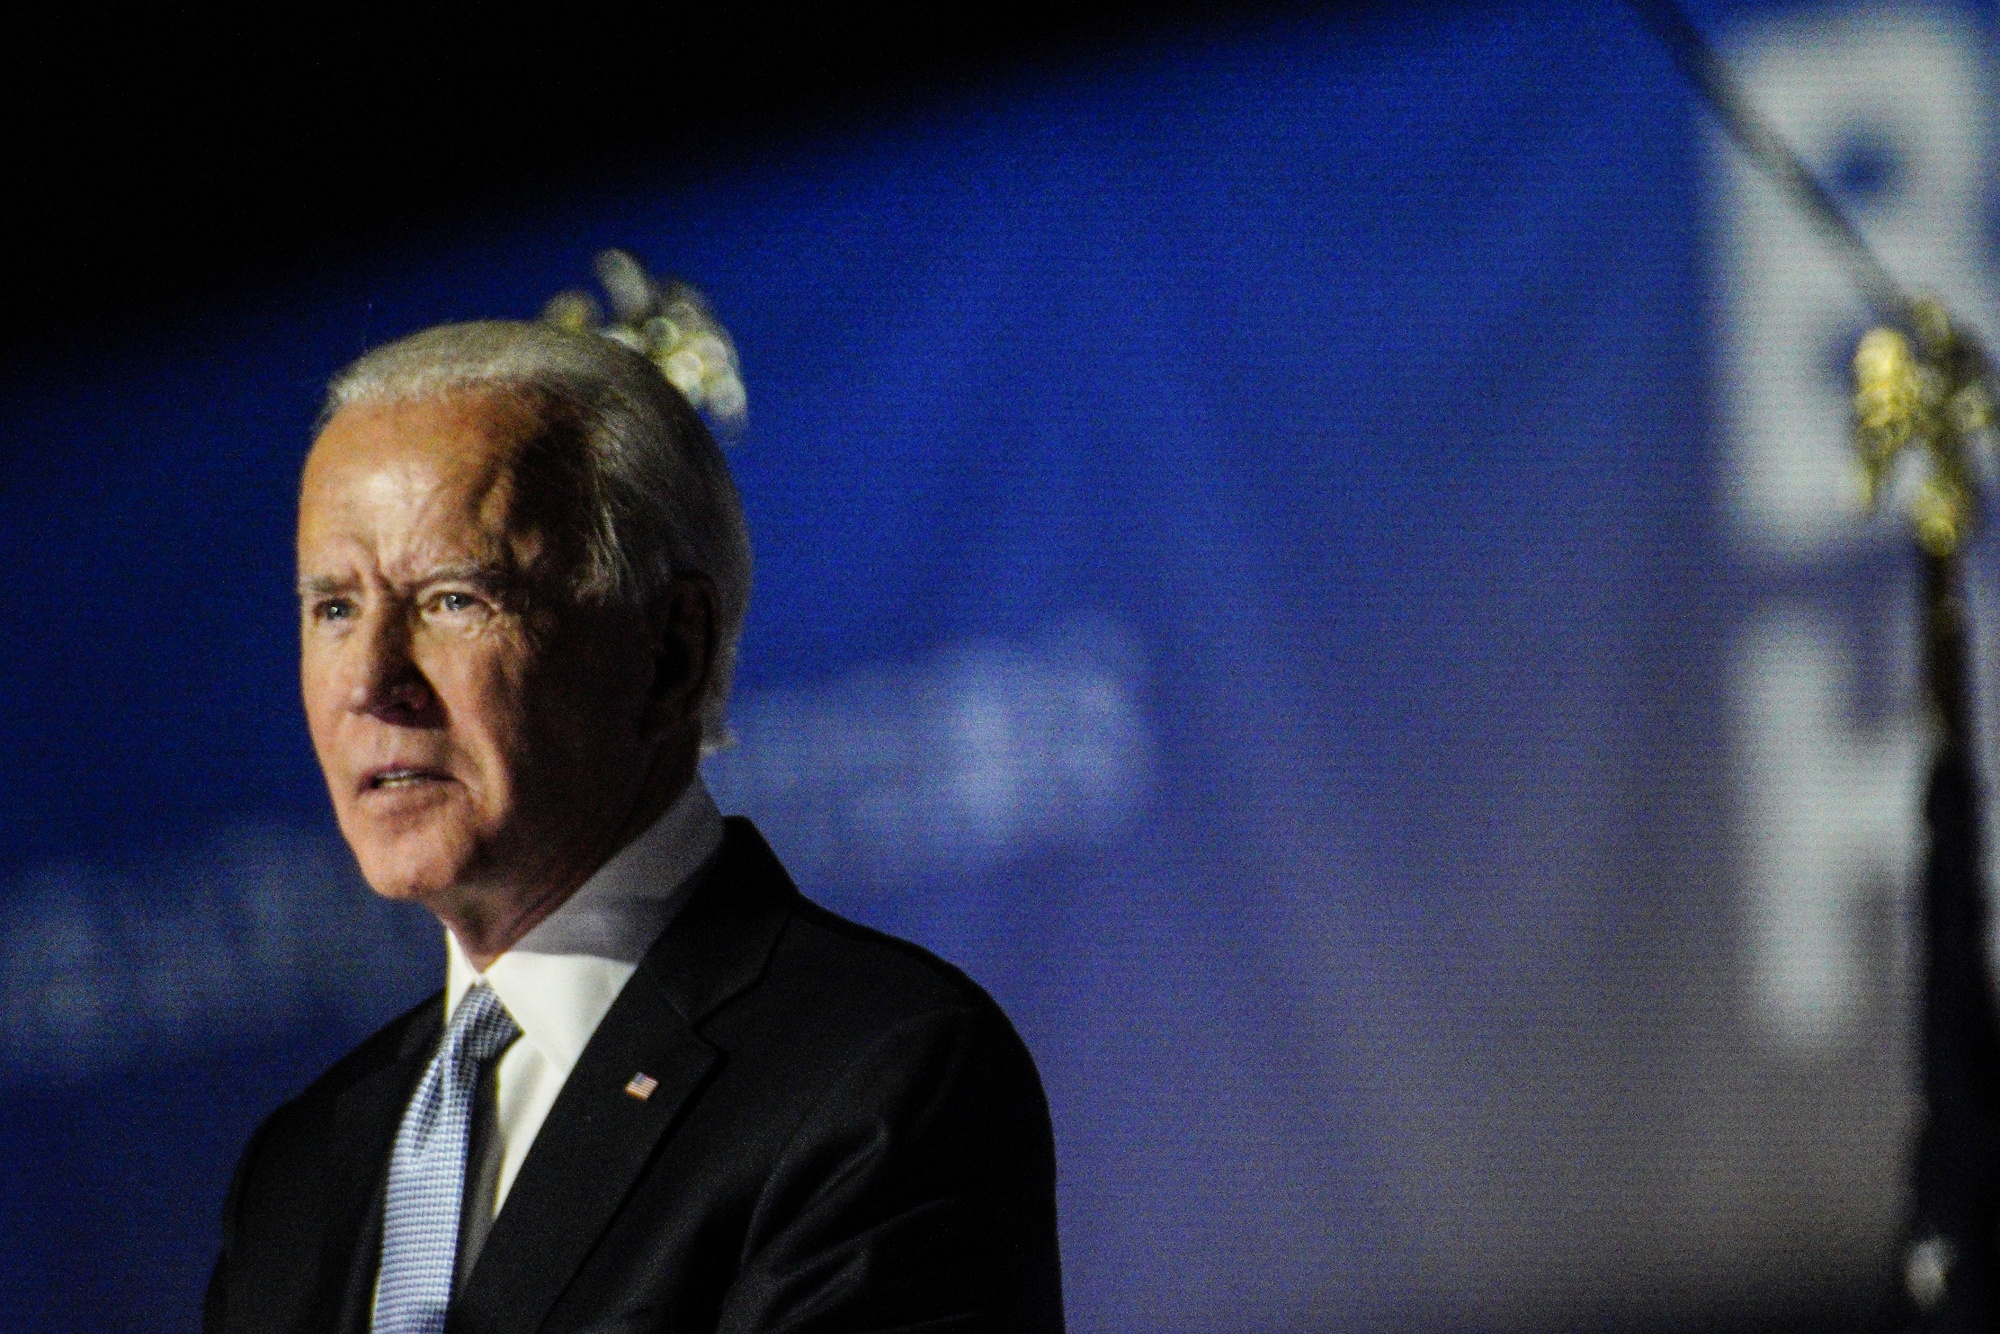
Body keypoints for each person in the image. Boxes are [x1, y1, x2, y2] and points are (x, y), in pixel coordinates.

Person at [203, 313, 1065, 1334]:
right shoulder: (299, 1169)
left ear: (669, 652)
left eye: (451, 597)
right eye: (334, 608)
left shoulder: (876, 1078)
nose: (369, 682)